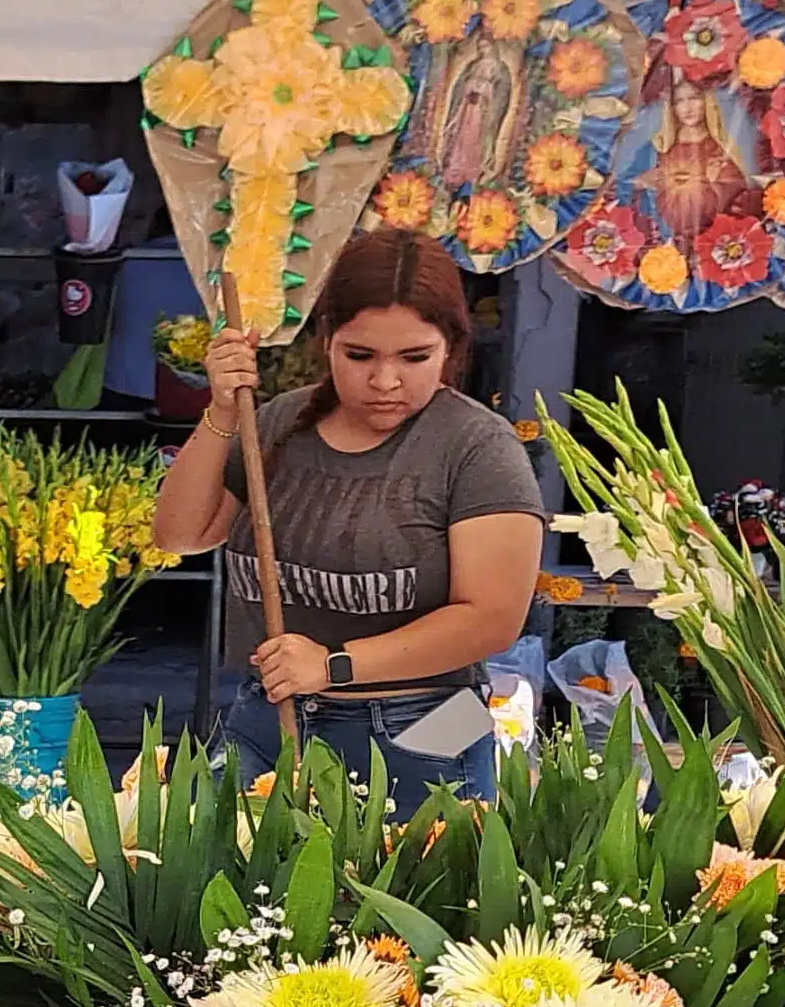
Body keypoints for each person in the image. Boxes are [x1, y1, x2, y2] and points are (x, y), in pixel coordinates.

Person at [150, 226, 545, 798]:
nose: (385, 381)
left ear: (452, 349)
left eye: (416, 357)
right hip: (269, 716)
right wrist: (220, 410)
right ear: (326, 340)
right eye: (360, 356)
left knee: (413, 885)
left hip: (432, 724)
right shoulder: (284, 422)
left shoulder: (479, 448)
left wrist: (334, 665)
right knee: (207, 875)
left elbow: (492, 619)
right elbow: (179, 534)